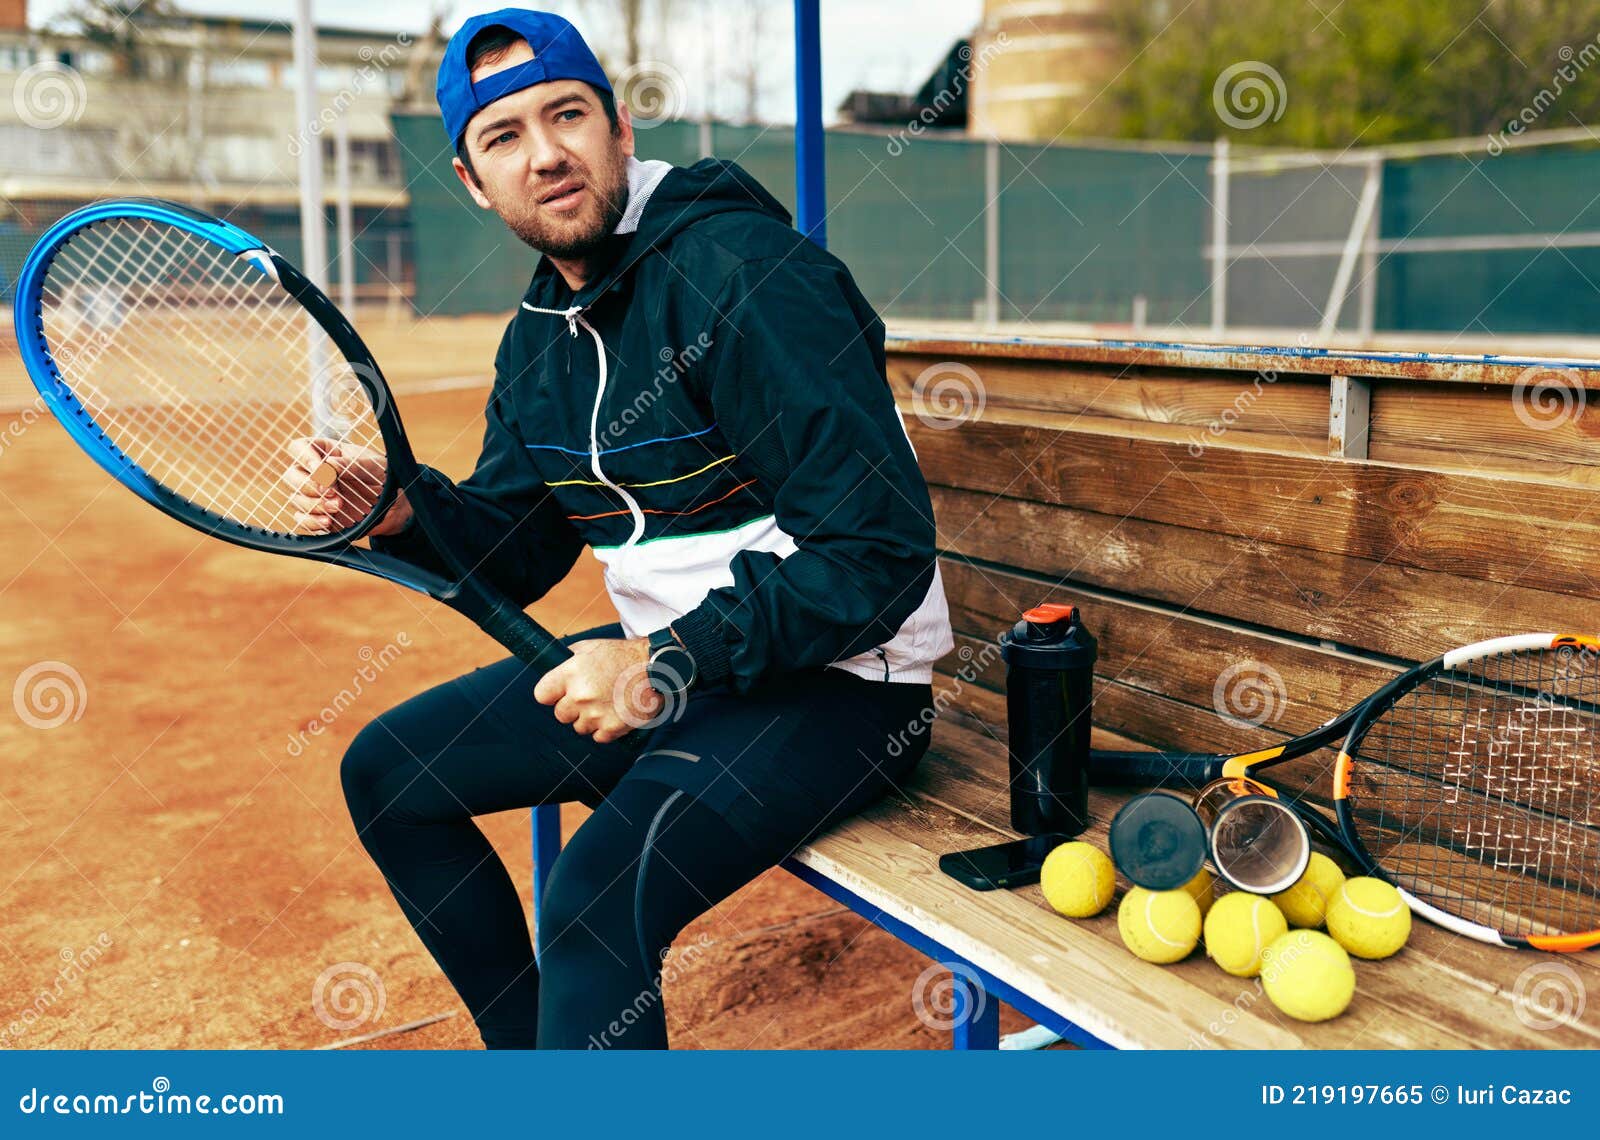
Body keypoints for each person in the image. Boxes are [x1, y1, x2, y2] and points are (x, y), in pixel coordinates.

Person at [289, 7, 953, 1050]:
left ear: (620, 128)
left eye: (568, 116)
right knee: (388, 775)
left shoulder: (749, 277)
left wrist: (664, 661)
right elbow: (520, 545)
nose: (546, 154)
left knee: (597, 898)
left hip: (843, 690)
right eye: (503, 137)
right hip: (682, 680)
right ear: (471, 179)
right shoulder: (538, 340)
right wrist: (407, 508)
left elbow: (874, 554)